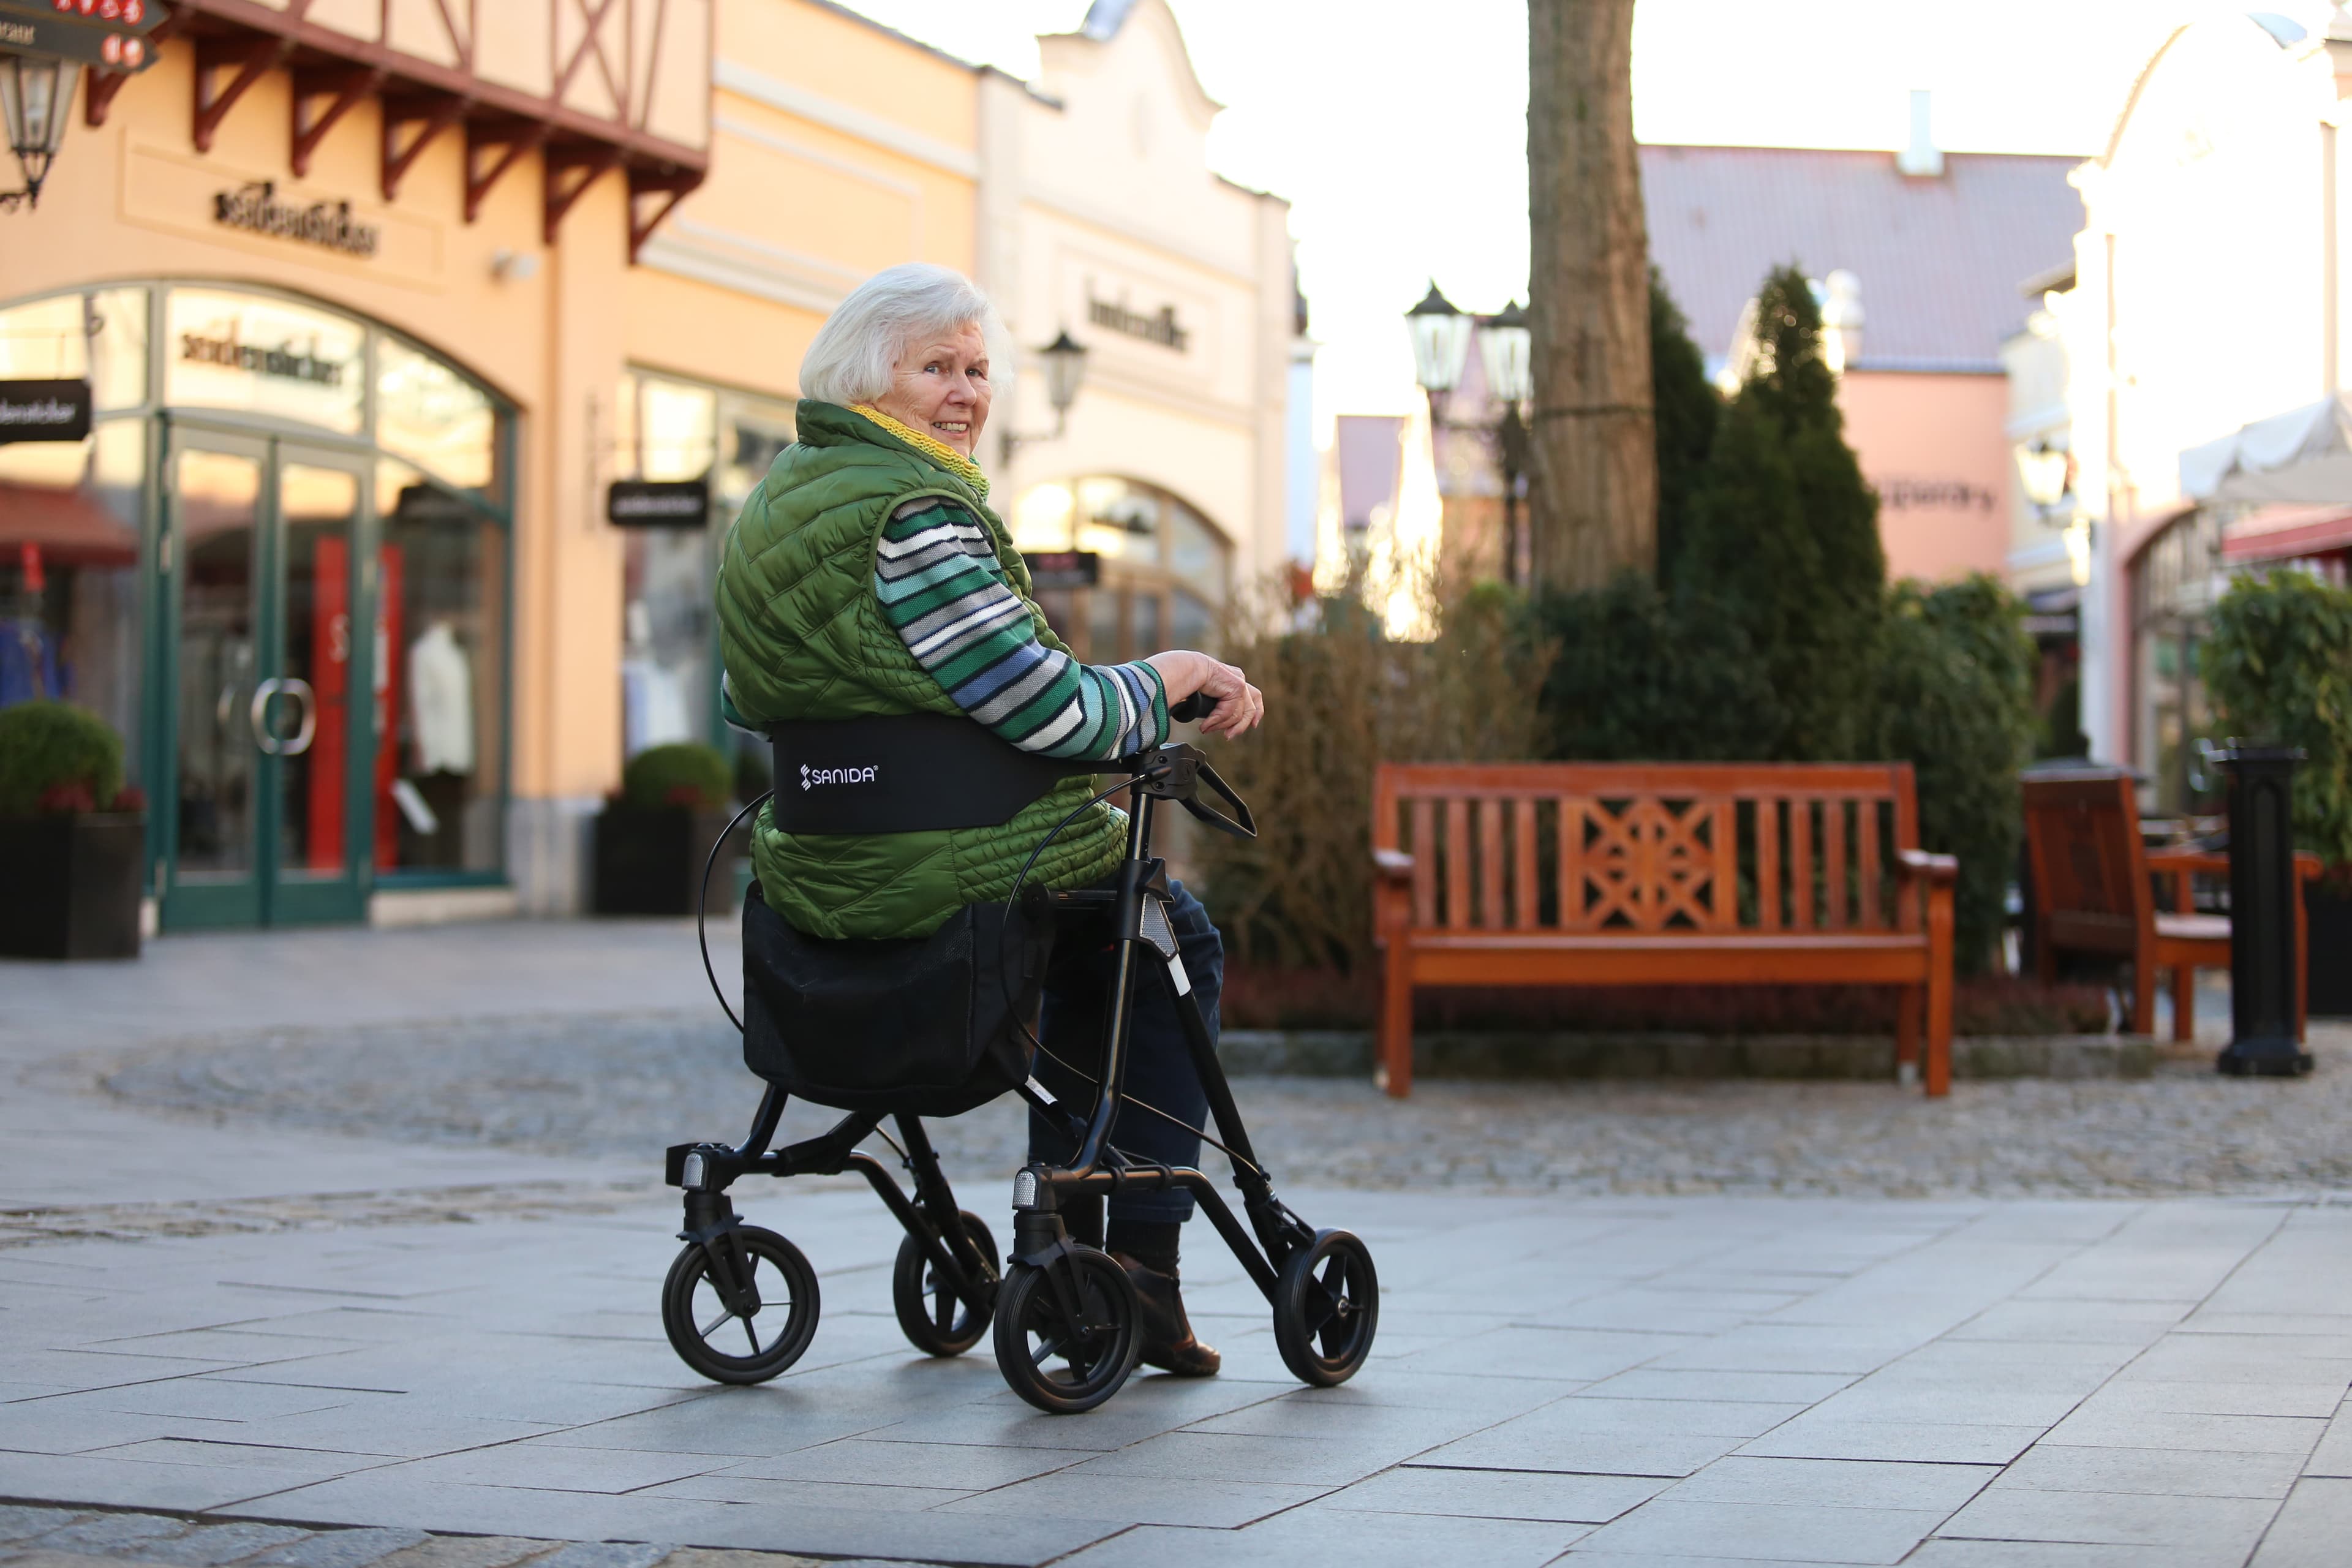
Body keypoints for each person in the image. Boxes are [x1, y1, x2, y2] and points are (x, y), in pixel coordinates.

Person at [715, 262, 1264, 1376]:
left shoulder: (779, 499)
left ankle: (1075, 1243)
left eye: (976, 369)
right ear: (871, 384)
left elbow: (749, 698)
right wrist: (1168, 677)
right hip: (952, 861)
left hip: (819, 856)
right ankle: (1133, 1263)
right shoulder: (916, 510)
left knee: (1097, 942)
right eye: (936, 368)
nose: (967, 392)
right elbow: (1048, 709)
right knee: (1158, 940)